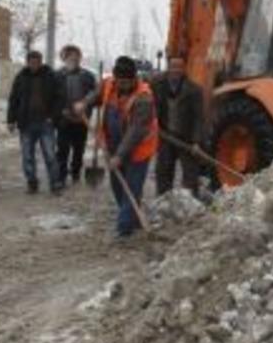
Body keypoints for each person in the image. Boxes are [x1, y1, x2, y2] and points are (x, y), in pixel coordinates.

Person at [75, 56, 159, 238]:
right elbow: (95, 95)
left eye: (127, 81)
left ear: (134, 78)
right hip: (112, 146)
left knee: (132, 187)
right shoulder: (108, 84)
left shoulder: (144, 97)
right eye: (120, 81)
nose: (123, 85)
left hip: (138, 151)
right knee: (118, 187)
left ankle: (123, 229)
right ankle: (133, 218)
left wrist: (120, 155)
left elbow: (136, 132)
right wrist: (84, 103)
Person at [7, 50, 63, 195]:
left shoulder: (50, 76)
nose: (34, 64)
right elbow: (13, 99)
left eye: (36, 61)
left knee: (50, 155)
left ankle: (55, 184)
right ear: (27, 62)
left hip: (46, 123)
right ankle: (32, 183)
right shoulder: (21, 77)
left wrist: (53, 117)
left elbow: (59, 98)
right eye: (31, 61)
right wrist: (11, 120)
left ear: (40, 61)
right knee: (27, 156)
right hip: (26, 123)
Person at [151, 57, 204, 197]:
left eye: (179, 67)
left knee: (190, 175)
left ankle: (191, 203)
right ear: (168, 68)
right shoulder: (157, 85)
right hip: (165, 135)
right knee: (163, 171)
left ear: (184, 69)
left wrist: (197, 142)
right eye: (173, 66)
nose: (176, 70)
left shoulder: (194, 90)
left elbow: (199, 118)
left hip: (186, 139)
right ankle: (163, 202)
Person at [55, 45, 97, 185]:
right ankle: (61, 175)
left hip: (81, 119)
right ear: (64, 58)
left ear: (80, 58)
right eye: (70, 57)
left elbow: (96, 94)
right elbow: (53, 97)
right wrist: (61, 109)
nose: (73, 59)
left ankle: (75, 173)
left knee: (79, 149)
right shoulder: (57, 76)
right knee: (62, 149)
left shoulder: (88, 76)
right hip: (64, 119)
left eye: (76, 57)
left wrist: (85, 103)